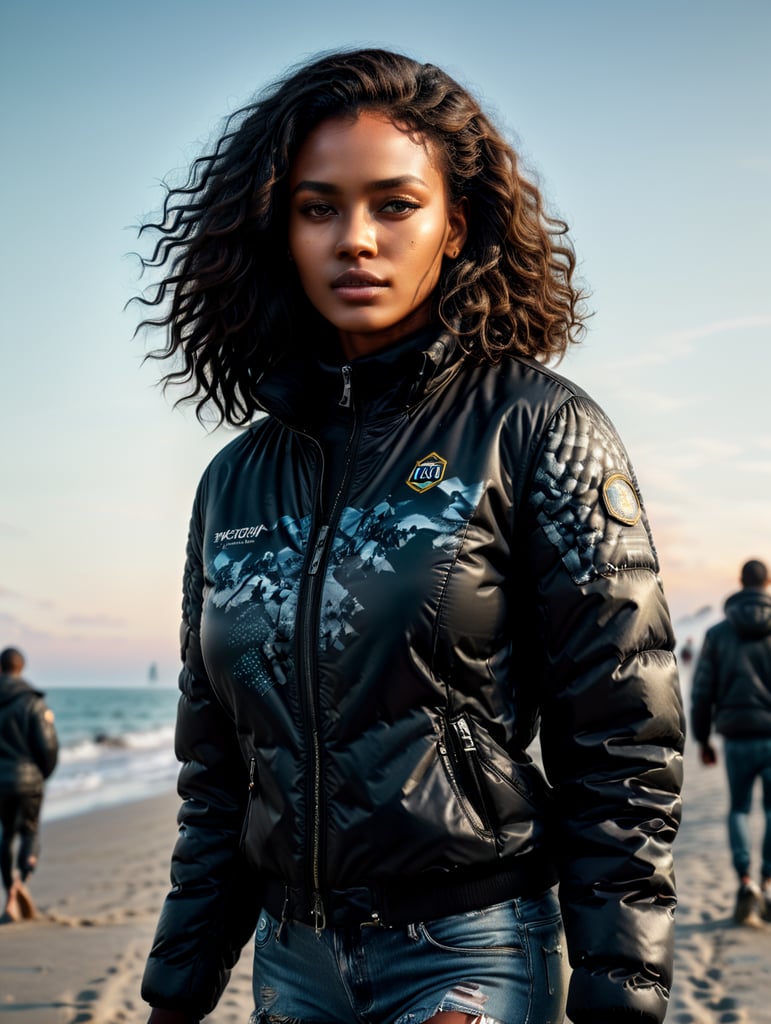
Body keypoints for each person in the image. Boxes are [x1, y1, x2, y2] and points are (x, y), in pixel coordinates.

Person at [136, 48, 685, 1024]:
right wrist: (181, 977)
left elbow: (622, 730)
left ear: (454, 225)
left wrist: (622, 980)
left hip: (468, 950)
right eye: (318, 207)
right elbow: (218, 764)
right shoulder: (235, 480)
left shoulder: (536, 427)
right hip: (291, 963)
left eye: (394, 204)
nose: (355, 239)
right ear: (279, 230)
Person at [691, 558, 771, 927]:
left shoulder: (718, 633)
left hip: (737, 736)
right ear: (767, 583)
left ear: (741, 582)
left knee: (739, 808)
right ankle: (767, 883)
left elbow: (701, 692)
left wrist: (703, 738)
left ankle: (745, 883)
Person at [0, 647, 58, 922]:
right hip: (29, 780)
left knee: (6, 835)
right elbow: (48, 746)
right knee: (30, 832)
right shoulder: (33, 702)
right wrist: (42, 774)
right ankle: (21, 882)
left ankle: (9, 894)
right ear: (21, 668)